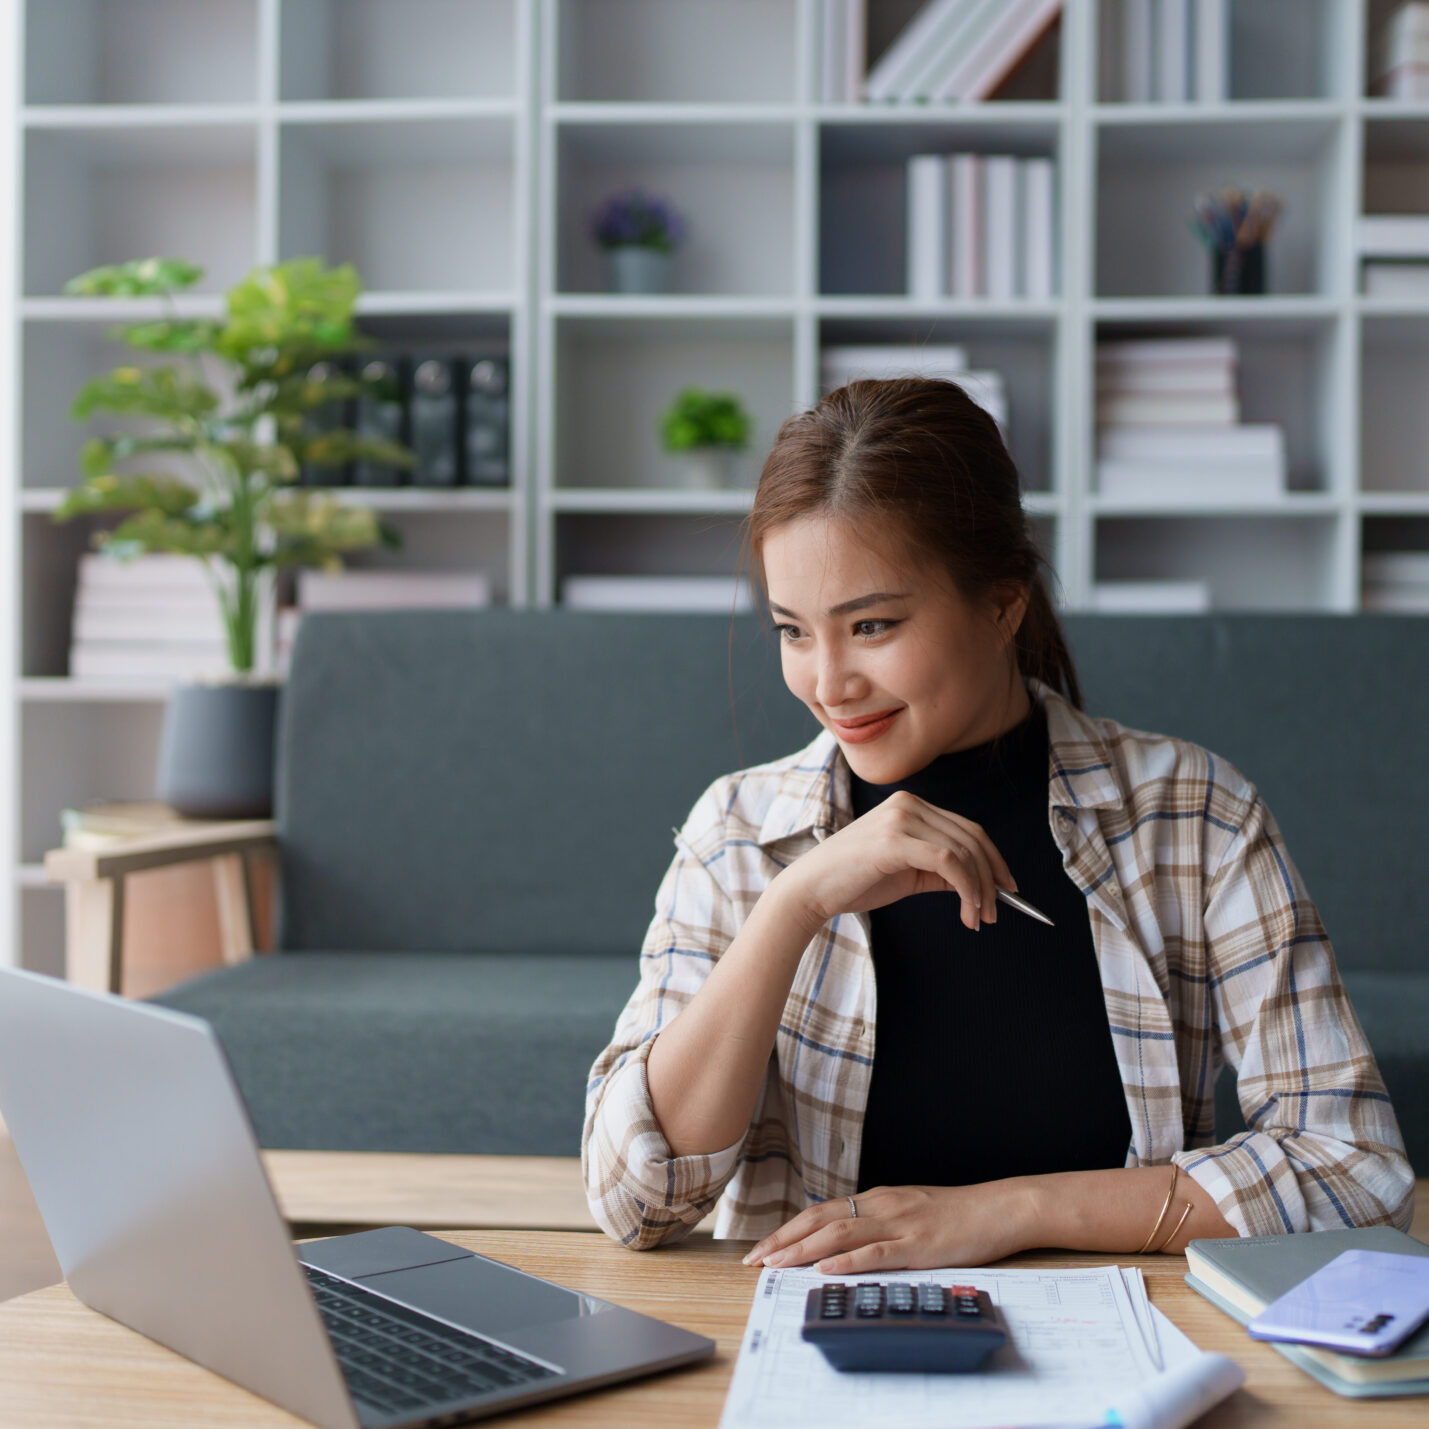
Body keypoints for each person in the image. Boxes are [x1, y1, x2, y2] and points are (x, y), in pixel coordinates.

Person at [581, 378, 1413, 1273]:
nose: (827, 682)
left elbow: (1355, 1171)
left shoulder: (1192, 812)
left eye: (871, 624)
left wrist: (1009, 1210)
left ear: (1002, 604)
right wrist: (795, 902)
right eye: (792, 630)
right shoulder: (741, 830)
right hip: (817, 1345)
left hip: (1123, 1344)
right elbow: (637, 1203)